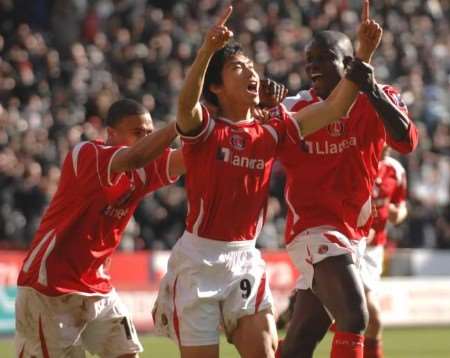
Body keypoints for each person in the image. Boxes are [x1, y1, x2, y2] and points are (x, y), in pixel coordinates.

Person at [152, 4, 381, 358]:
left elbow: (335, 108)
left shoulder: (272, 130)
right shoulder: (205, 131)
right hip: (198, 262)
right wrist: (205, 52)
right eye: (238, 68)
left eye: (252, 67)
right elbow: (186, 106)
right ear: (216, 85)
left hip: (245, 259)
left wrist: (363, 53)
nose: (252, 73)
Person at [277, 1, 418, 357]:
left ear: (347, 62)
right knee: (354, 317)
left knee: (301, 339)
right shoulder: (296, 107)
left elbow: (406, 141)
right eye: (309, 58)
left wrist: (369, 88)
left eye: (322, 57)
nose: (312, 65)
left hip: (352, 232)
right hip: (313, 227)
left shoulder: (379, 97)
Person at [15, 98, 185, 358]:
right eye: (138, 133)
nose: (147, 139)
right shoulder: (87, 155)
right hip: (49, 287)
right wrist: (180, 124)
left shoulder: (144, 168)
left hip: (97, 286)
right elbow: (136, 156)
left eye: (150, 133)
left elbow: (186, 160)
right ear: (111, 134)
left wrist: (217, 124)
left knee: (127, 353)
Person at [360, 146, 408, 358]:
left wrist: (397, 214)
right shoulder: (357, 158)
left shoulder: (395, 170)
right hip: (348, 245)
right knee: (370, 316)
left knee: (372, 321)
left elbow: (401, 206)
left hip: (373, 251)